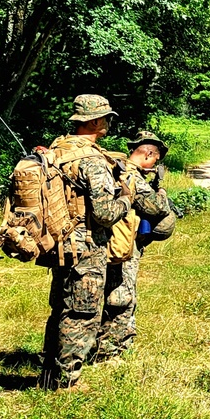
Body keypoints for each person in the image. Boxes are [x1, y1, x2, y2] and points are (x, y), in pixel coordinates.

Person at [39, 94, 132, 390]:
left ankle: (48, 376)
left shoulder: (56, 149)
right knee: (82, 314)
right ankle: (68, 382)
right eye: (105, 117)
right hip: (87, 247)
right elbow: (105, 214)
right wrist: (127, 200)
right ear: (93, 121)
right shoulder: (92, 160)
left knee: (61, 310)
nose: (108, 122)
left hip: (59, 242)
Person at [93, 131, 174, 363]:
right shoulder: (132, 176)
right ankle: (110, 350)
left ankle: (116, 344)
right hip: (123, 245)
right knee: (122, 295)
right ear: (148, 153)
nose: (156, 163)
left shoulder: (119, 169)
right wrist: (161, 191)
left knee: (116, 292)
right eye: (155, 158)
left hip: (113, 241)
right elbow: (156, 207)